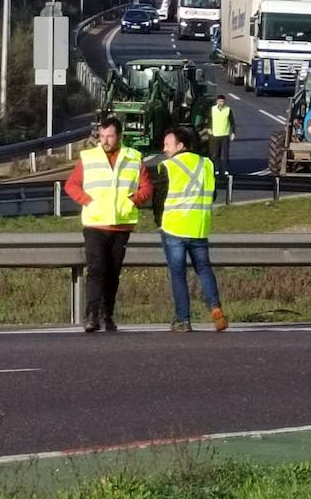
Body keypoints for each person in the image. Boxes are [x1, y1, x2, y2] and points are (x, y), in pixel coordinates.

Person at [65, 116, 152, 333]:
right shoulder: (89, 157)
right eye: (102, 136)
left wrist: (135, 200)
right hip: (95, 224)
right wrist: (88, 201)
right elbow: (72, 185)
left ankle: (107, 315)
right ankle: (92, 316)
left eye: (109, 136)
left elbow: (146, 187)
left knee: (113, 273)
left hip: (121, 224)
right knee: (96, 270)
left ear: (119, 137)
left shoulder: (133, 157)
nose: (105, 140)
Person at [154, 125, 227, 333]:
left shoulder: (167, 166)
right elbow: (212, 195)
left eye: (168, 144)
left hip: (174, 228)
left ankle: (183, 320)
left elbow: (158, 199)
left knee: (178, 274)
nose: (164, 148)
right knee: (204, 269)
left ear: (180, 145)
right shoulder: (206, 164)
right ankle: (215, 307)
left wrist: (160, 222)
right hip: (199, 227)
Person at [209, 93, 235, 177]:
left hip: (225, 135)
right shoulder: (212, 109)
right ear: (217, 101)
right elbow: (209, 119)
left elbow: (232, 122)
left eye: (223, 101)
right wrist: (209, 128)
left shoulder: (228, 110)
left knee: (225, 154)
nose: (221, 103)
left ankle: (226, 170)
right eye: (220, 101)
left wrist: (233, 133)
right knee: (216, 154)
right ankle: (216, 169)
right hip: (215, 134)